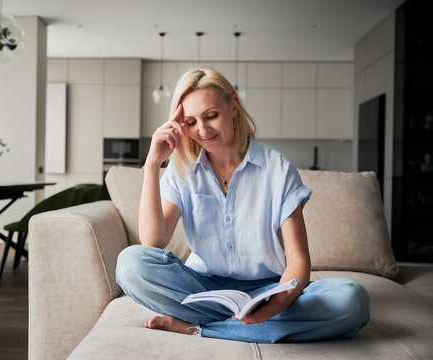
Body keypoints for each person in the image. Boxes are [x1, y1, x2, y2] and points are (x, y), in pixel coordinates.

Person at [116, 66, 370, 343]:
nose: (202, 130)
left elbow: (297, 260)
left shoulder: (278, 168)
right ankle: (246, 328)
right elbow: (152, 241)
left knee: (351, 299)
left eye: (211, 116)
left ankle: (199, 328)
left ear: (233, 106)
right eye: (190, 122)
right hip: (203, 290)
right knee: (130, 264)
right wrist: (153, 164)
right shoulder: (182, 172)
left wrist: (277, 304)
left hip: (267, 290)